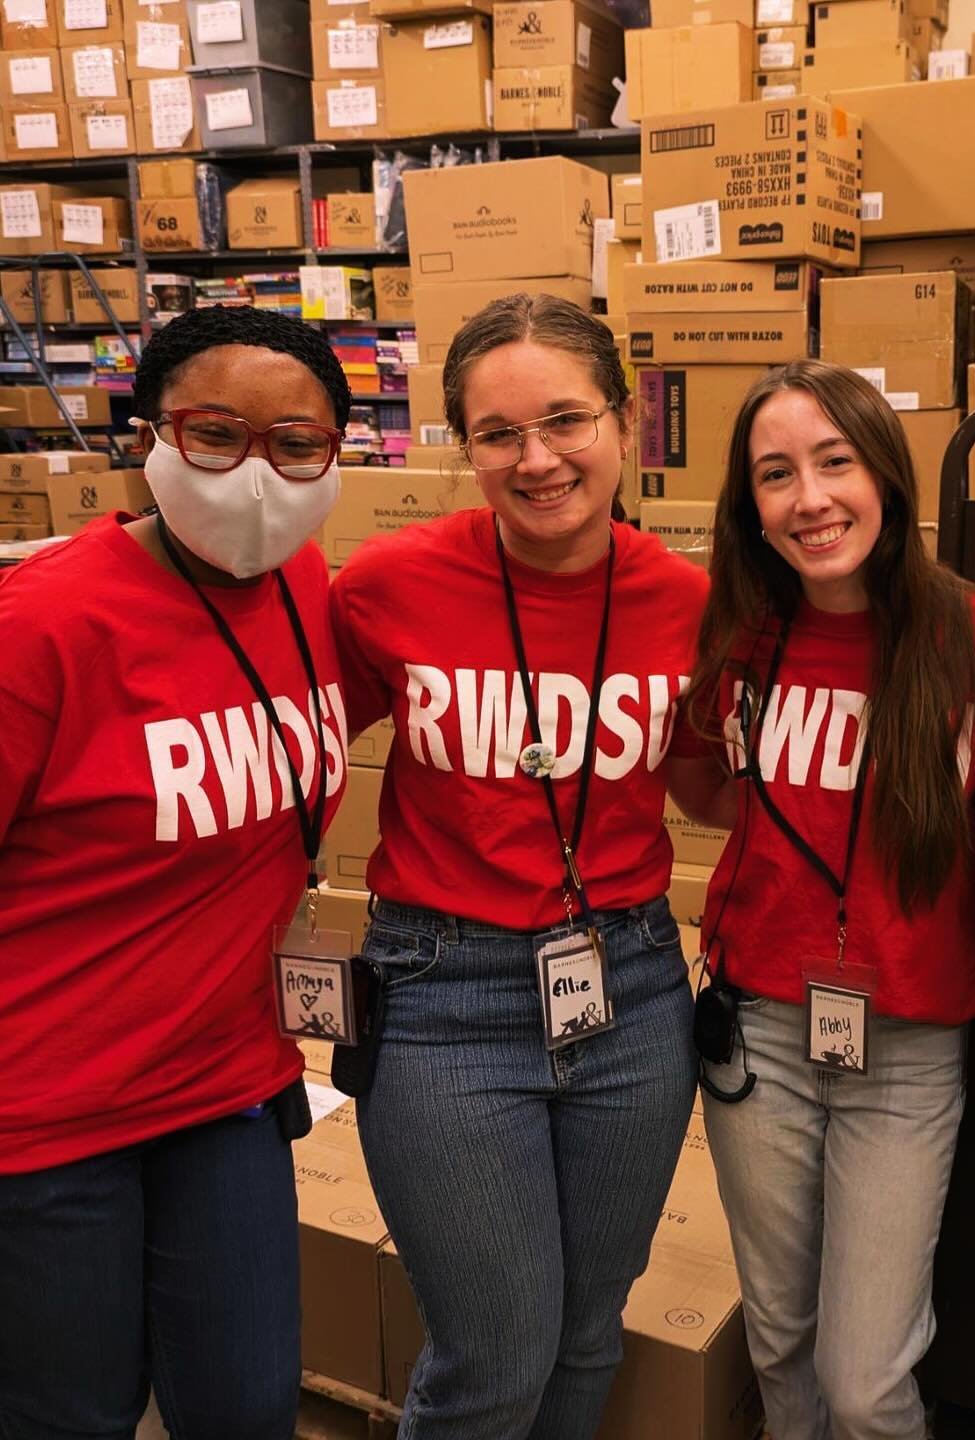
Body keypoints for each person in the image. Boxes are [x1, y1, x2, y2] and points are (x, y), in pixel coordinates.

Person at [329, 293, 706, 1438]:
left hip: (632, 989)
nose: (537, 460)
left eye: (565, 421)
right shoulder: (387, 584)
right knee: (494, 1356)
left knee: (591, 1329)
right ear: (463, 446)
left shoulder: (687, 599)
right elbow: (286, 757)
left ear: (625, 424)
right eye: (498, 435)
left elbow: (718, 785)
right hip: (443, 994)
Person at [0, 304, 351, 1437]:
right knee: (75, 1418)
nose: (258, 476)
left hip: (231, 1089)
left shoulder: (306, 592)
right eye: (215, 435)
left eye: (297, 445)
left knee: (247, 1406)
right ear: (147, 434)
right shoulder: (40, 624)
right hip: (48, 1118)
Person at [667, 360, 975, 1440]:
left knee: (866, 1380)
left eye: (835, 462)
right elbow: (709, 792)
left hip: (907, 1045)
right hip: (756, 1031)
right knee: (778, 1337)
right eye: (777, 475)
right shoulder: (738, 640)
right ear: (750, 506)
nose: (809, 498)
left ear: (887, 476)